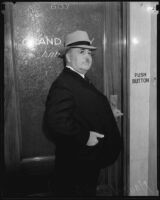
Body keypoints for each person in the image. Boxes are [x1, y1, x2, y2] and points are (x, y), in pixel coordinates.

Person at [43, 30, 123, 196]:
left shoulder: (78, 78)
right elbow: (56, 122)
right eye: (81, 52)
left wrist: (108, 112)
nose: (88, 57)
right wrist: (84, 137)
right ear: (68, 57)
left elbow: (82, 108)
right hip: (76, 168)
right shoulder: (64, 84)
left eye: (89, 53)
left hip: (85, 163)